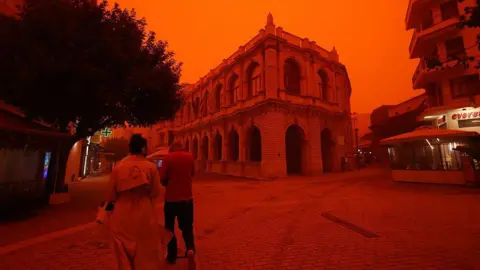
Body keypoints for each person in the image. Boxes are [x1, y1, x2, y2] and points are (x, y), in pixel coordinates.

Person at [107, 134, 165, 270]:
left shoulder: (118, 167)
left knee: (122, 250)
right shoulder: (150, 167)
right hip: (144, 211)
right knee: (144, 250)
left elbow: (110, 195)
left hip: (122, 211)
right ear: (143, 148)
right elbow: (156, 192)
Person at [159, 141, 197, 268]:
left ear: (171, 149)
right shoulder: (189, 156)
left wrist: (167, 183)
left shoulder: (167, 158)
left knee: (169, 228)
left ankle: (171, 256)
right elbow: (193, 173)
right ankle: (190, 249)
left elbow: (162, 177)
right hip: (187, 198)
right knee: (187, 227)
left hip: (171, 199)